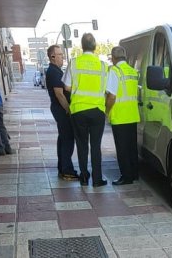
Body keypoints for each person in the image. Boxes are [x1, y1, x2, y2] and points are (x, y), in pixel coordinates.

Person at [62, 33, 108, 187]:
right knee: (96, 145)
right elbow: (108, 89)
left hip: (78, 110)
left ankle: (83, 176)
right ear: (95, 47)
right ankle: (97, 179)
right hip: (97, 110)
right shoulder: (102, 65)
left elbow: (67, 87)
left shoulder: (74, 63)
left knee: (82, 145)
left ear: (82, 46)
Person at [106, 46, 140, 185]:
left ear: (113, 58)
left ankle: (126, 177)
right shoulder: (132, 71)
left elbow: (112, 96)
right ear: (124, 57)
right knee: (132, 147)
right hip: (132, 115)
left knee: (122, 149)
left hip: (119, 116)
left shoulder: (115, 71)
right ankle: (134, 174)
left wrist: (106, 110)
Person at [46, 45, 78, 181]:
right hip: (61, 109)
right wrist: (69, 110)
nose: (62, 57)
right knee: (68, 140)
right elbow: (59, 94)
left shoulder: (56, 70)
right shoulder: (53, 72)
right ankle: (67, 170)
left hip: (59, 109)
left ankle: (62, 167)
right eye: (60, 54)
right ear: (52, 56)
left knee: (63, 139)